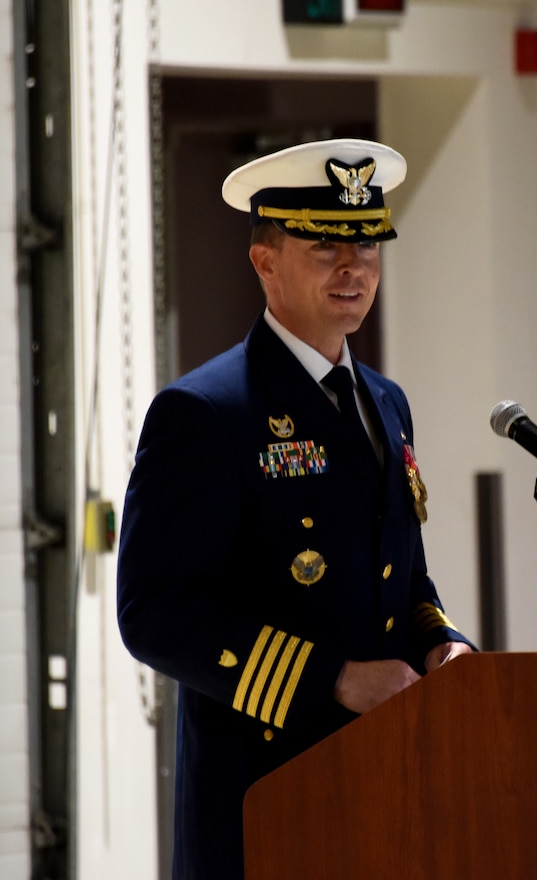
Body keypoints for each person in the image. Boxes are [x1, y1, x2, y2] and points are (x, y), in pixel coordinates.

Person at [116, 138, 474, 880]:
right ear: (265, 261)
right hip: (265, 796)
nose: (354, 269)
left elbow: (402, 578)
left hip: (389, 792)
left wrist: (444, 648)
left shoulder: (386, 403)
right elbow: (155, 613)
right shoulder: (205, 412)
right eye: (324, 247)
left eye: (368, 247)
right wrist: (334, 678)